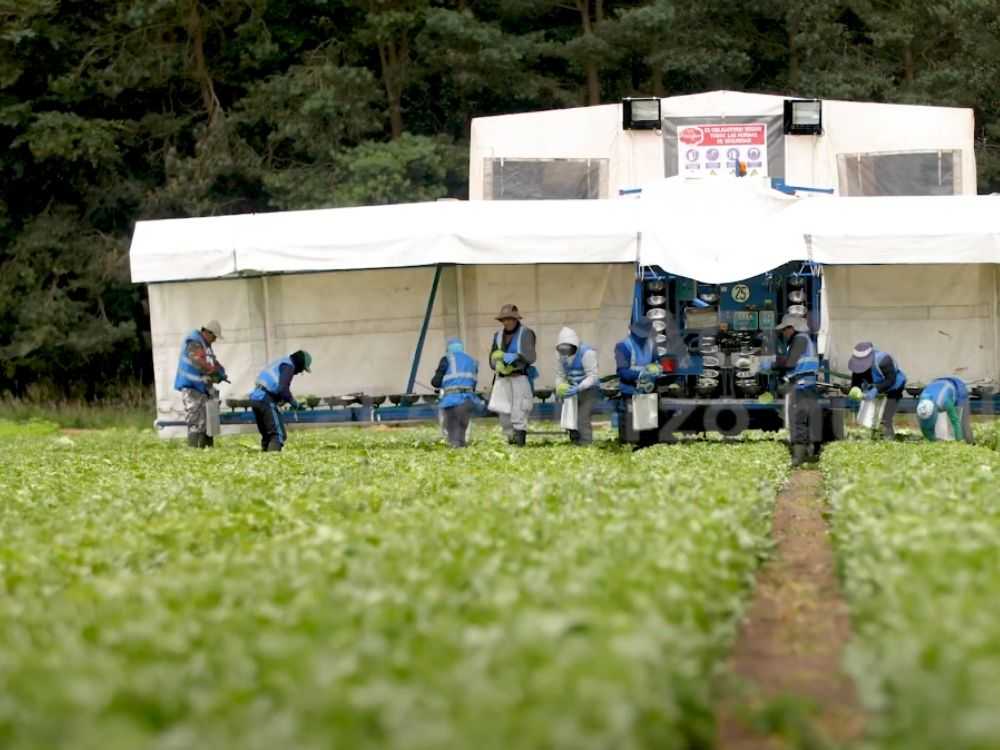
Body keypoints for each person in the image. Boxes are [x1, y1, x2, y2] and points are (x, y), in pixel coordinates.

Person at [764, 314, 820, 466]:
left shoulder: (800, 339)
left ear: (792, 328)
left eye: (784, 330)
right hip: (807, 385)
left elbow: (790, 362)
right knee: (807, 419)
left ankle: (798, 457)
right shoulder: (805, 340)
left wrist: (771, 364)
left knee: (798, 420)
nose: (783, 333)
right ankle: (810, 451)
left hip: (801, 385)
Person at [488, 304, 538, 446]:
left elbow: (531, 356)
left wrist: (516, 356)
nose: (507, 322)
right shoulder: (497, 336)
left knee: (520, 410)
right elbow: (491, 357)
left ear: (516, 319)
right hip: (502, 378)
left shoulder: (526, 333)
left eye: (510, 319)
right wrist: (496, 363)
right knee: (503, 410)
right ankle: (510, 438)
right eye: (504, 320)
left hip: (519, 377)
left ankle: (520, 441)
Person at [173, 320, 227, 449]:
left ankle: (205, 450)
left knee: (206, 423)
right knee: (195, 422)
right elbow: (199, 362)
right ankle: (195, 451)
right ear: (207, 333)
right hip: (192, 388)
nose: (214, 340)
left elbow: (212, 362)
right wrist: (214, 373)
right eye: (214, 337)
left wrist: (221, 372)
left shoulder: (205, 345)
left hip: (202, 389)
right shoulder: (194, 342)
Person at [249, 350, 312, 452]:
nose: (300, 372)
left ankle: (265, 459)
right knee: (278, 435)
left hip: (256, 397)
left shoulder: (281, 362)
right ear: (299, 363)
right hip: (265, 398)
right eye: (302, 369)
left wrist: (281, 400)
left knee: (267, 434)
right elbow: (283, 388)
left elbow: (277, 387)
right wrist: (294, 403)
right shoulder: (288, 366)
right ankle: (273, 460)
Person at [614, 318, 662, 444]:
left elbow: (657, 362)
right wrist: (641, 374)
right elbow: (622, 372)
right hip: (631, 389)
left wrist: (657, 369)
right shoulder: (622, 346)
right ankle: (631, 443)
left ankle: (649, 443)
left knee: (648, 427)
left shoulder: (651, 344)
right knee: (631, 428)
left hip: (648, 389)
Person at [847, 341, 907, 438]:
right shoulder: (857, 365)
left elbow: (890, 380)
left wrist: (876, 389)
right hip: (876, 385)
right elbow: (856, 382)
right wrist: (855, 393)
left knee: (885, 418)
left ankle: (888, 436)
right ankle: (874, 434)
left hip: (894, 386)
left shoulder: (884, 360)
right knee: (872, 418)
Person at [553, 327, 600, 445]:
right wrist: (560, 387)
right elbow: (560, 374)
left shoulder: (587, 353)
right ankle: (574, 441)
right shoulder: (560, 356)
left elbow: (593, 376)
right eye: (562, 349)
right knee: (570, 416)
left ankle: (585, 443)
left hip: (588, 389)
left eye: (567, 349)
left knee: (583, 417)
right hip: (571, 389)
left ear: (574, 346)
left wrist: (579, 388)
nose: (565, 352)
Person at [431, 337, 480, 448]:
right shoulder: (472, 361)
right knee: (463, 428)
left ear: (448, 349)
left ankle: (455, 448)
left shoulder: (447, 359)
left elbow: (435, 382)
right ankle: (463, 447)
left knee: (451, 428)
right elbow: (474, 383)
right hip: (467, 399)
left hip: (451, 400)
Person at [915, 377, 973, 443]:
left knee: (962, 422)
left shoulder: (944, 401)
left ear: (935, 411)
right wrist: (933, 441)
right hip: (936, 383)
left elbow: (955, 420)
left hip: (957, 387)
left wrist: (959, 441)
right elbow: (924, 427)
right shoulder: (922, 406)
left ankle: (969, 442)